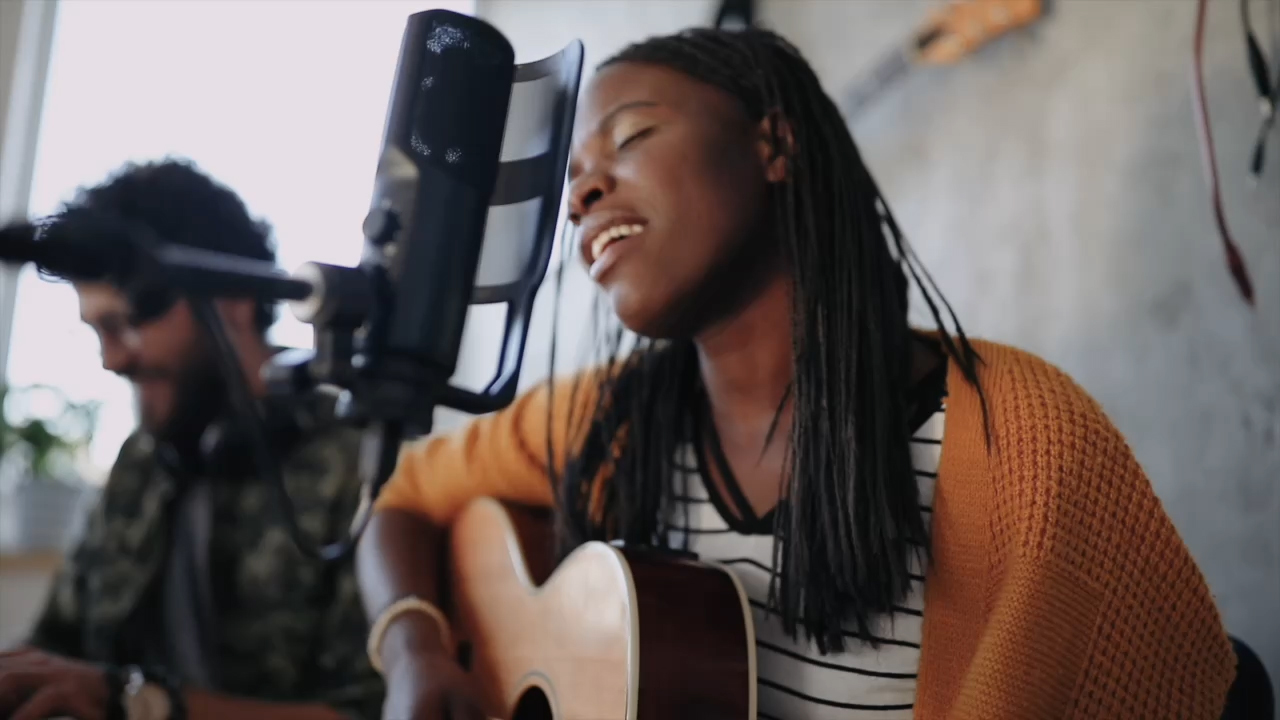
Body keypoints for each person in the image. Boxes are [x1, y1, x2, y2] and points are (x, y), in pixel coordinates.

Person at [357, 27, 1237, 720]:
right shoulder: (604, 419)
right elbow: (397, 501)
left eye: (629, 140)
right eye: (576, 180)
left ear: (773, 145)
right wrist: (416, 650)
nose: (584, 195)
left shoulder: (1019, 439)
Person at [0, 160, 384, 720]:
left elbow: (374, 713)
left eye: (125, 323)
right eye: (97, 332)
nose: (112, 359)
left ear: (233, 299)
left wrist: (136, 702)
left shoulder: (358, 460)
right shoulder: (142, 461)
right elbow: (55, 652)